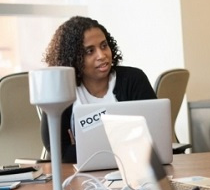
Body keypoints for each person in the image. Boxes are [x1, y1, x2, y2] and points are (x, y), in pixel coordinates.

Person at [41, 16, 157, 163]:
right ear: (72, 57)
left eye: (104, 46)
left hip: (133, 169)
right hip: (79, 178)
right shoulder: (61, 90)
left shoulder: (133, 79)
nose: (102, 55)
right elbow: (60, 152)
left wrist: (80, 148)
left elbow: (152, 138)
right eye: (90, 51)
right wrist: (124, 145)